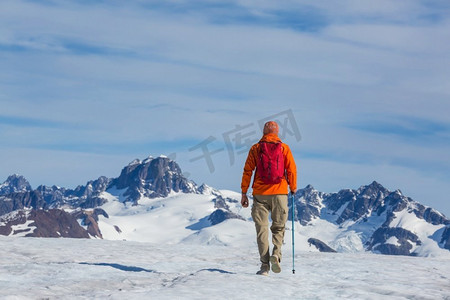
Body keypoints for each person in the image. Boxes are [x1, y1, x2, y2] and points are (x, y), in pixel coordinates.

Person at [241, 120, 297, 276]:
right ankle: (276, 255)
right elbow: (291, 169)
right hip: (279, 192)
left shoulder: (256, 148)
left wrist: (244, 192)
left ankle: (265, 266)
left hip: (260, 193)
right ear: (277, 132)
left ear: (264, 132)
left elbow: (248, 171)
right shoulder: (284, 148)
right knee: (278, 227)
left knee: (262, 230)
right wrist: (292, 187)